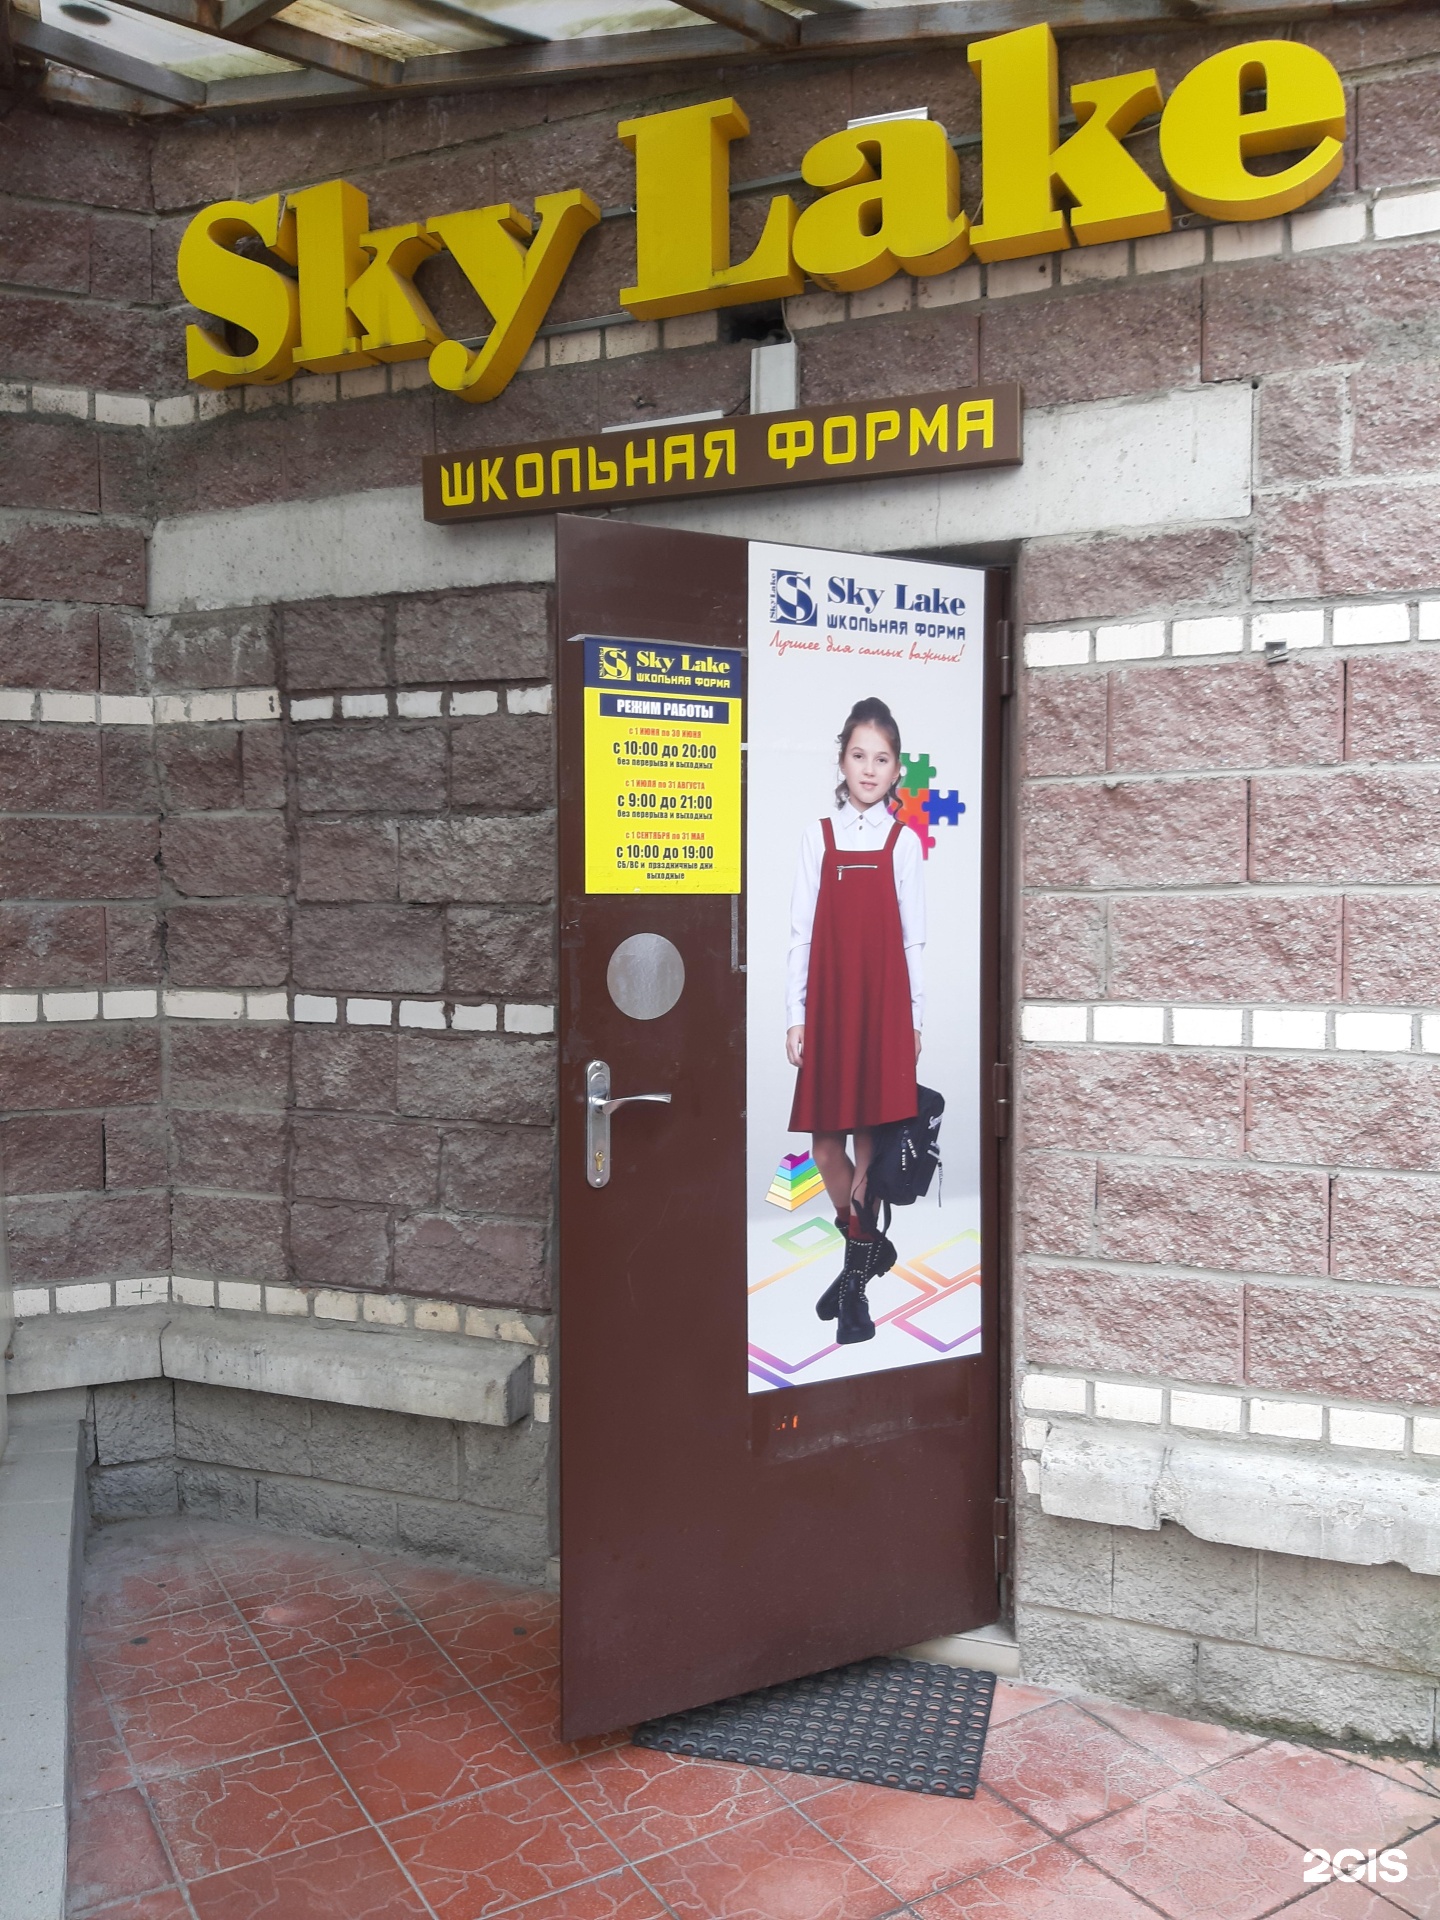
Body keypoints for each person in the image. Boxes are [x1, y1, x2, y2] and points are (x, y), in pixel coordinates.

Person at [786, 696, 924, 1345]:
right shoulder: (817, 837)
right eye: (859, 755)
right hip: (831, 1008)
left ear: (897, 770)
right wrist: (796, 1015)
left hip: (883, 1010)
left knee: (870, 1148)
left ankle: (854, 1294)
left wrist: (915, 1020)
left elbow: (914, 940)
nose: (870, 769)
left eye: (883, 758)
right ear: (842, 761)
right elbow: (799, 934)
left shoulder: (904, 843)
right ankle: (868, 1249)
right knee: (824, 1147)